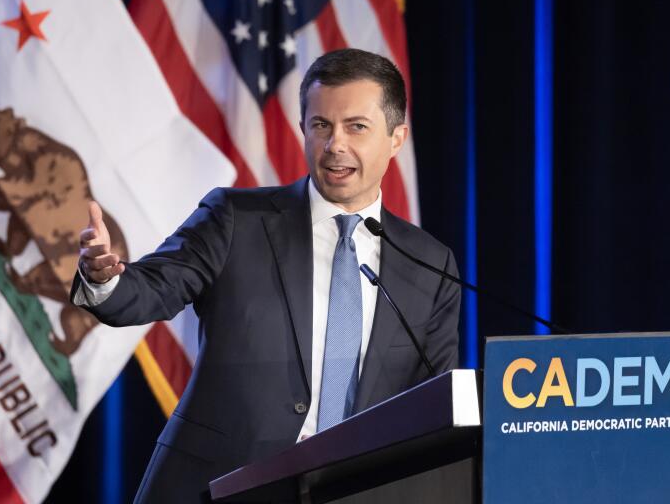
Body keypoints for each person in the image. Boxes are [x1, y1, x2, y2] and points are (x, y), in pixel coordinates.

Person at [71, 48, 461, 503]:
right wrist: (104, 277)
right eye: (321, 126)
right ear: (303, 131)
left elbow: (435, 405)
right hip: (219, 488)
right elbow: (151, 289)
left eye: (356, 127)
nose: (335, 144)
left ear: (396, 138)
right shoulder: (236, 218)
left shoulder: (429, 265)